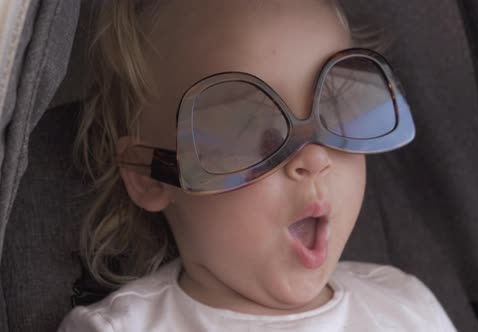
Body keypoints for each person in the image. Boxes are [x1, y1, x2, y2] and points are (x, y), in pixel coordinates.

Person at [58, 0, 456, 330]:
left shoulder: (405, 309)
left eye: (337, 111)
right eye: (250, 132)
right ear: (150, 177)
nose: (314, 157)